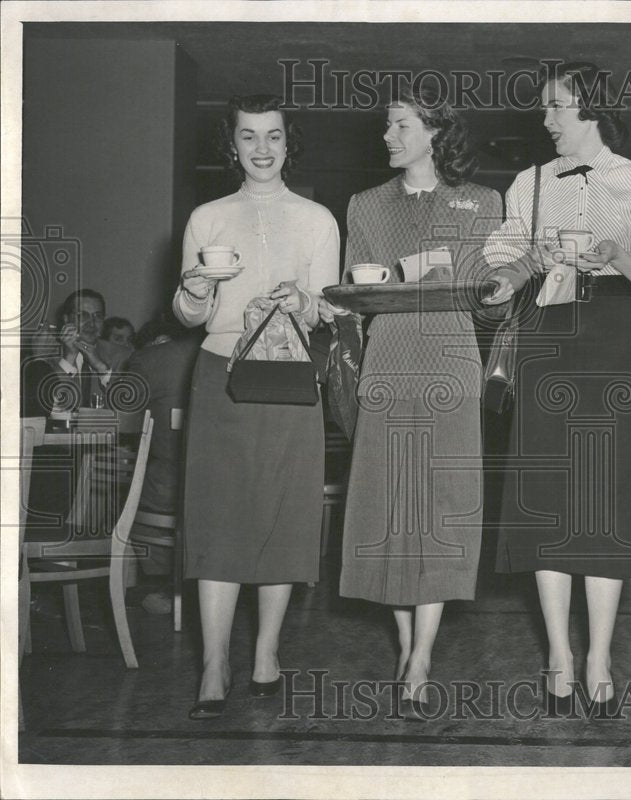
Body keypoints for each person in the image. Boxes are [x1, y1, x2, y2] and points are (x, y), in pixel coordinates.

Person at [481, 62, 631, 715]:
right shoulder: (528, 184)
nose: (546, 121)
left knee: (602, 493)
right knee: (546, 493)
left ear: (591, 109)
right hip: (547, 331)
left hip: (614, 332)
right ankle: (559, 658)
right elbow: (509, 267)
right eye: (544, 108)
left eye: (557, 107)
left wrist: (614, 254)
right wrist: (514, 273)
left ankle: (598, 655)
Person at [320, 83, 501, 717]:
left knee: (442, 509)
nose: (389, 136)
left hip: (452, 361)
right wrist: (398, 276)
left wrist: (462, 272)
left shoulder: (482, 202)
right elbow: (356, 290)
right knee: (390, 506)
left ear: (435, 131)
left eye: (400, 125)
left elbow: (484, 286)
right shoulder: (364, 205)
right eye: (388, 126)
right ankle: (406, 645)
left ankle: (422, 656)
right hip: (389, 358)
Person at [173, 94, 340, 719]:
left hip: (291, 374)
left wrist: (304, 301)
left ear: (287, 142)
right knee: (217, 515)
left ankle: (267, 651)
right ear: (234, 144)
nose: (262, 149)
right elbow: (190, 316)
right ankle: (214, 663)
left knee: (283, 513)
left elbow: (328, 310)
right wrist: (194, 291)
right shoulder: (206, 217)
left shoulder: (319, 220)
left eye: (273, 136)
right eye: (249, 137)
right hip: (220, 371)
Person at [125, 314, 202, 614]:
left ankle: (162, 585)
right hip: (235, 500)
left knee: (136, 485)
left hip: (170, 497)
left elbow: (121, 417)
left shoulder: (153, 358)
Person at [22, 289, 132, 417]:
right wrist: (68, 359)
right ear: (66, 319)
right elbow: (50, 413)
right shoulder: (46, 354)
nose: (91, 323)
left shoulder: (122, 355)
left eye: (98, 316)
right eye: (82, 316)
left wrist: (102, 369)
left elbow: (128, 412)